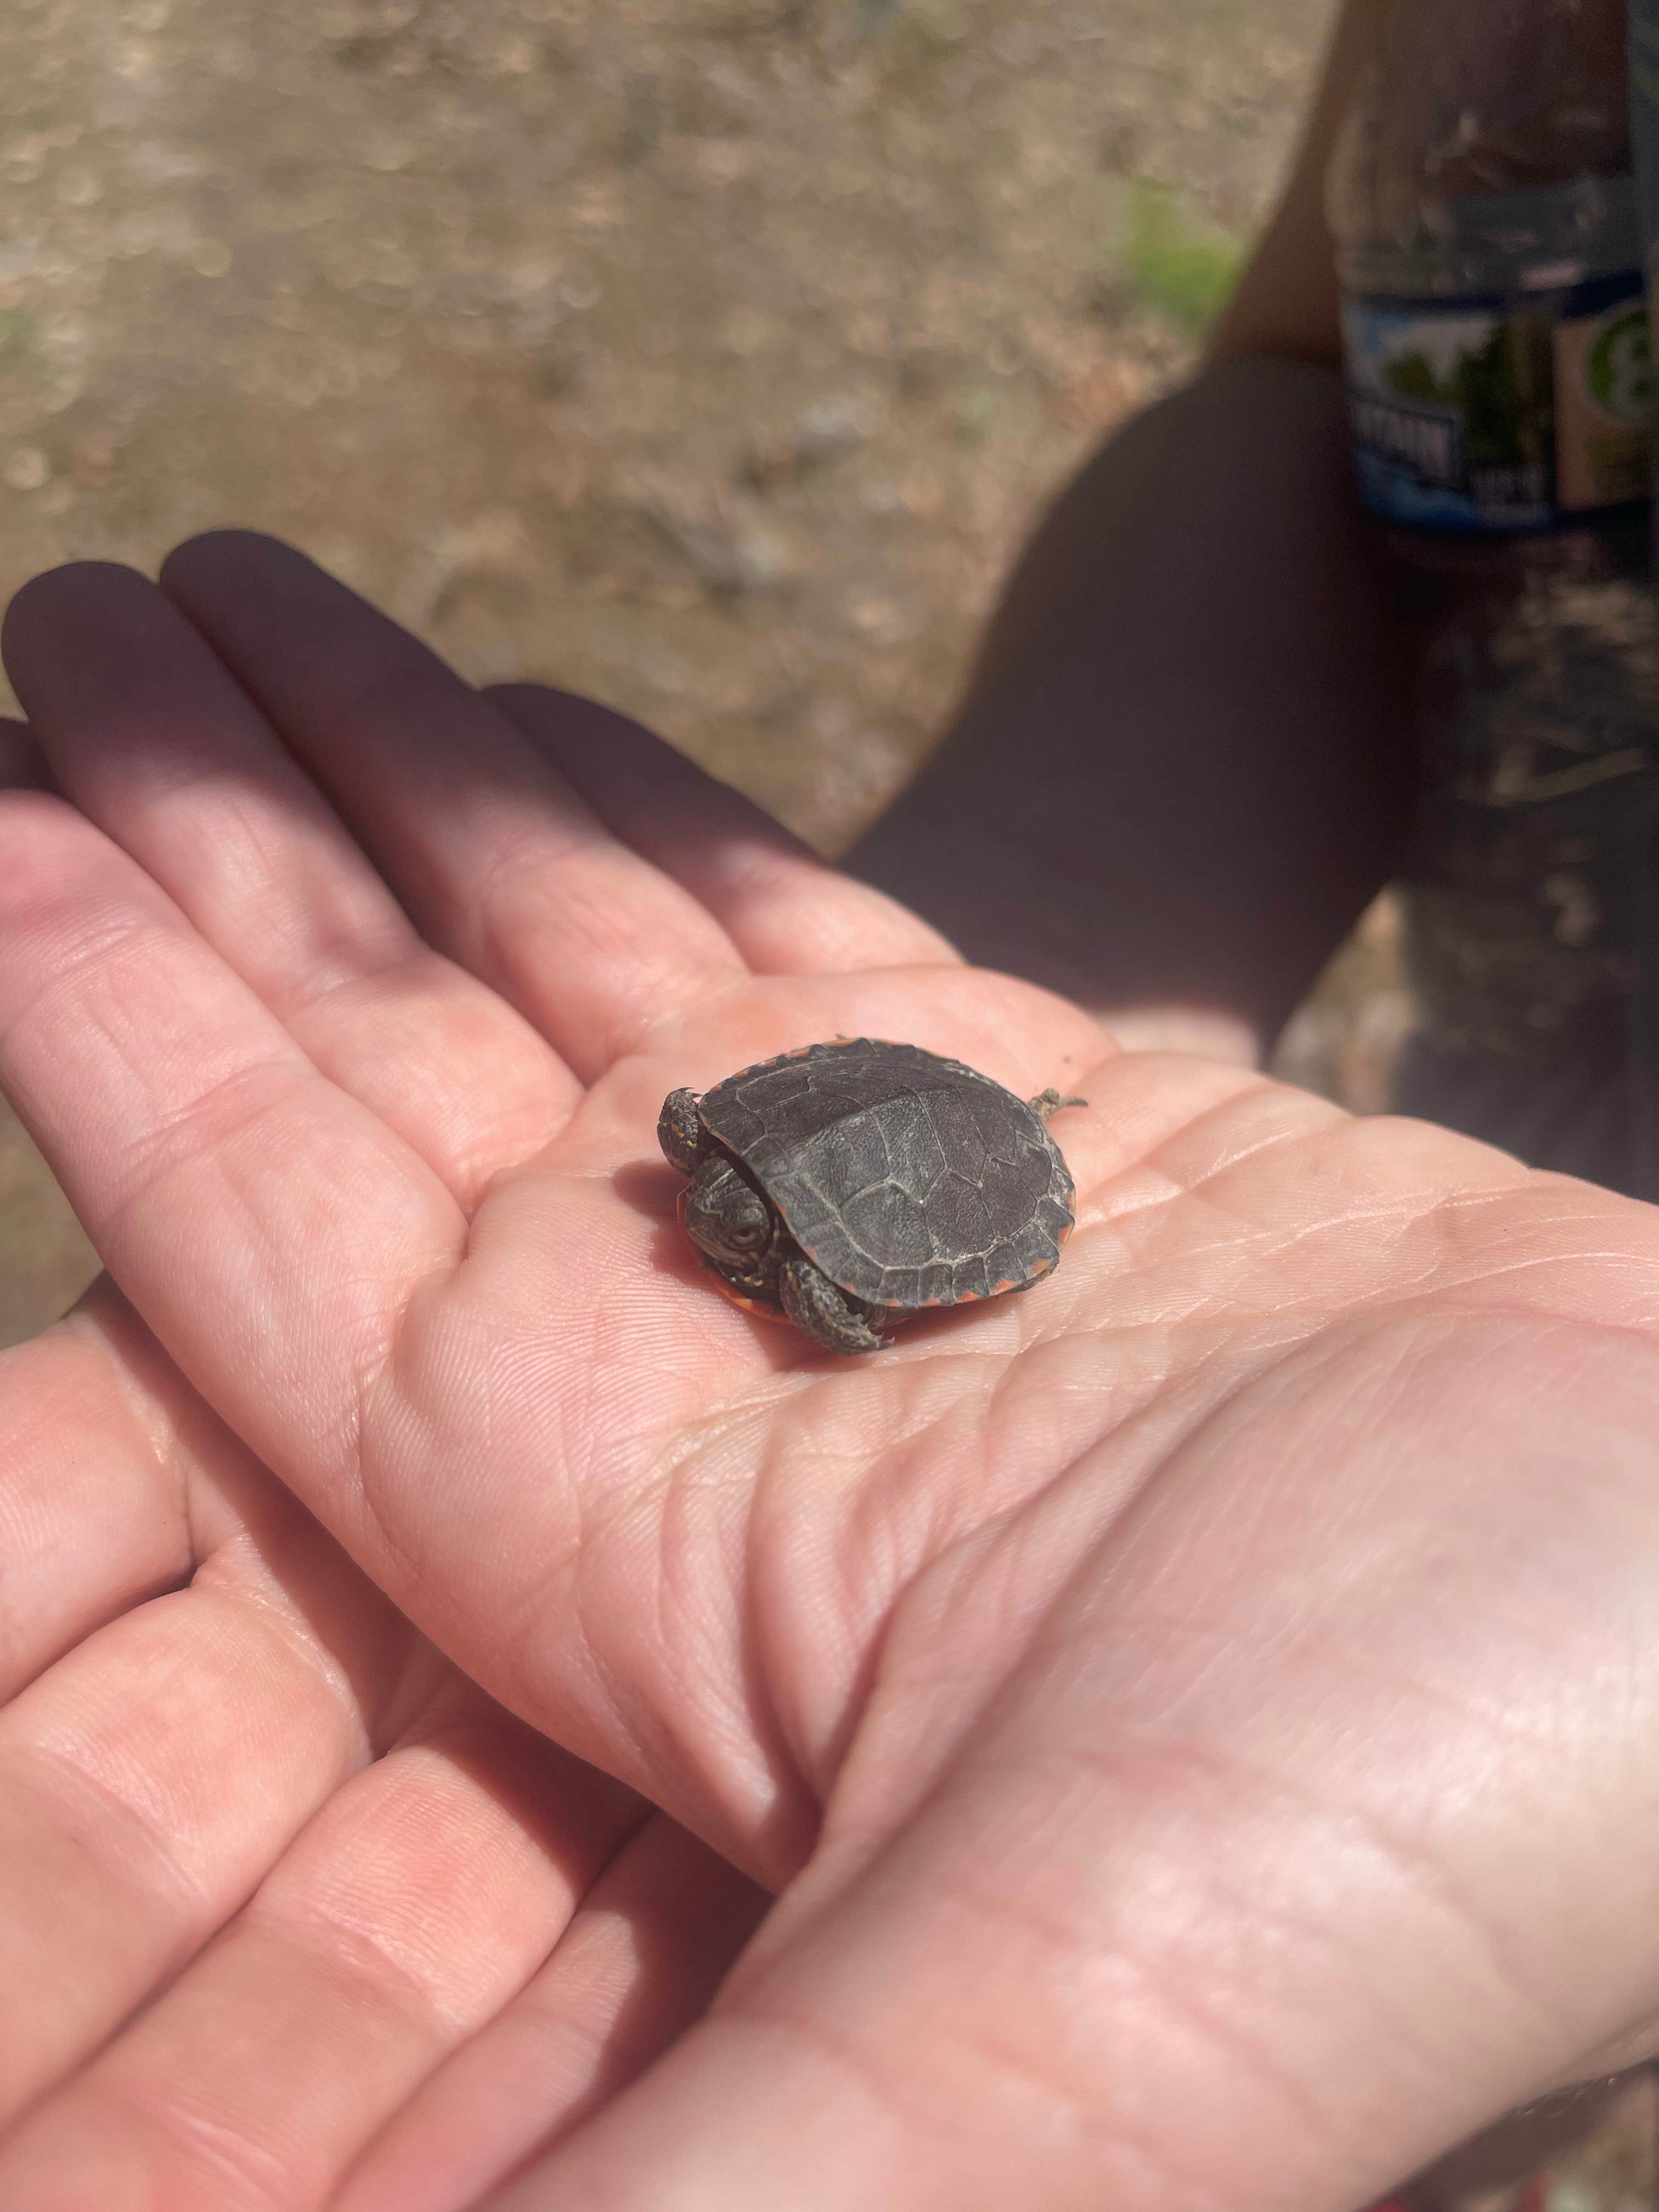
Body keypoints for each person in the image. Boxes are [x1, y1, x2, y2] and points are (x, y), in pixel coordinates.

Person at [0, 12, 1656, 2212]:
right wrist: (1066, 906)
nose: (704, 1216)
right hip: (1419, 1049)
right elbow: (1303, 388)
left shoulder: (840, 1279)